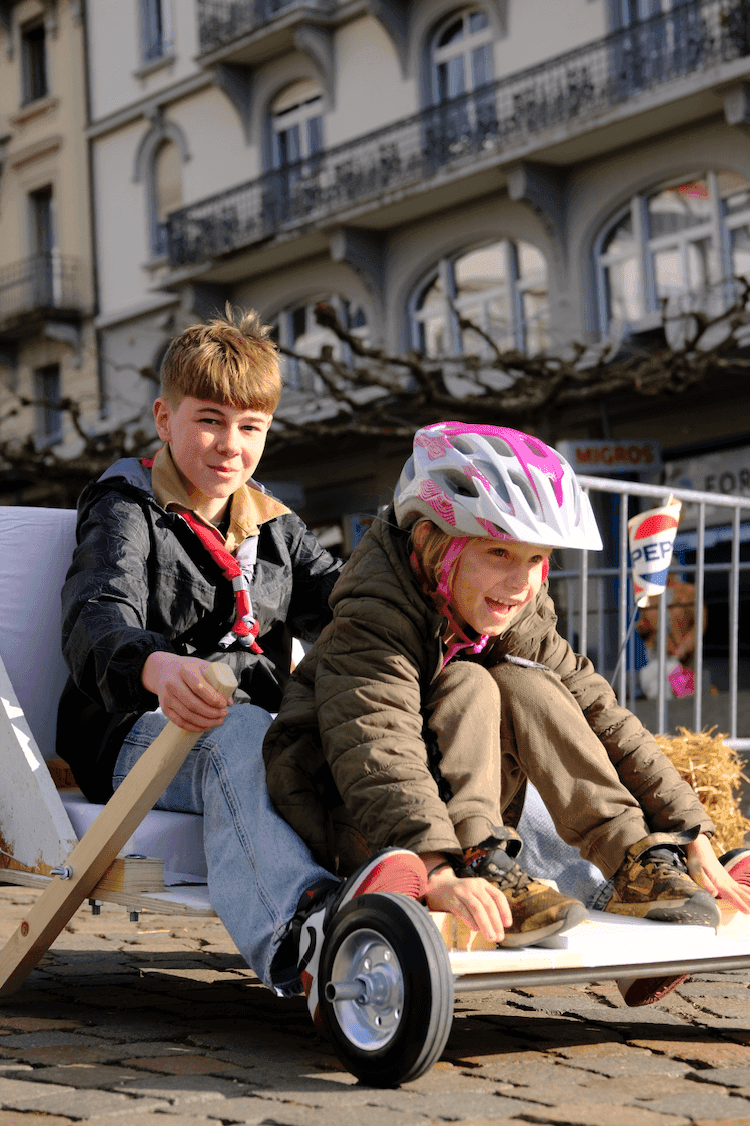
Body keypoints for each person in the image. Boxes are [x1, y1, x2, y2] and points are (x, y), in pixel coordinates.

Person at [263, 421, 750, 999]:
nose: (520, 583)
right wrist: (436, 868)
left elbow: (602, 711)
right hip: (361, 817)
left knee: (534, 687)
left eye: (537, 557)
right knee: (471, 682)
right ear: (429, 542)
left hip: (457, 813)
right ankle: (482, 860)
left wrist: (687, 828)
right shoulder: (372, 620)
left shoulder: (511, 613)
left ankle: (634, 871)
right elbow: (379, 748)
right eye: (497, 552)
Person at [56, 307, 427, 1024]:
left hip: (251, 720)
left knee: (392, 719)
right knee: (240, 734)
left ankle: (488, 873)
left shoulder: (276, 526)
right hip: (136, 726)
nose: (231, 446)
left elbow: (349, 609)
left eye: (251, 427)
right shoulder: (125, 506)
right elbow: (94, 617)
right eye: (210, 421)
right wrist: (157, 667)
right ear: (165, 419)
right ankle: (299, 931)